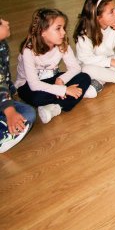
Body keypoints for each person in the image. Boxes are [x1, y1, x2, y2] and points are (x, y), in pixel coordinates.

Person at [15, 8, 92, 124]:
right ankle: (65, 102)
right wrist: (64, 90)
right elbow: (34, 85)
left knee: (84, 77)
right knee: (37, 98)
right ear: (42, 31)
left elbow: (75, 68)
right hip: (28, 85)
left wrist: (61, 80)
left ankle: (54, 107)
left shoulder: (62, 43)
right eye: (58, 28)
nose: (63, 32)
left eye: (63, 28)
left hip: (53, 79)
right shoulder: (28, 51)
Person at [1, 16, 36, 152]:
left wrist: (11, 90)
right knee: (22, 115)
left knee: (28, 113)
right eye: (0, 22)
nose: (7, 22)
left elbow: (4, 76)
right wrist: (10, 112)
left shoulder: (2, 45)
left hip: (2, 99)